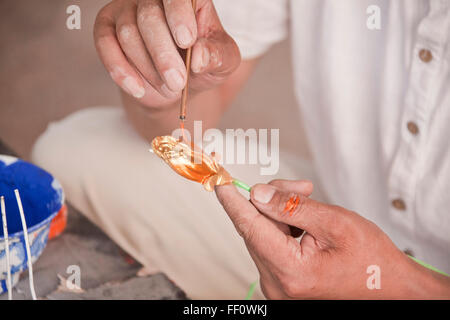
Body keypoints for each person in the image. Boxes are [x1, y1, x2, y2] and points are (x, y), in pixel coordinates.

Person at [32, 0, 450, 299]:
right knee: (71, 153)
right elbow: (192, 119)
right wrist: (168, 81)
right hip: (338, 212)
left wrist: (398, 285)